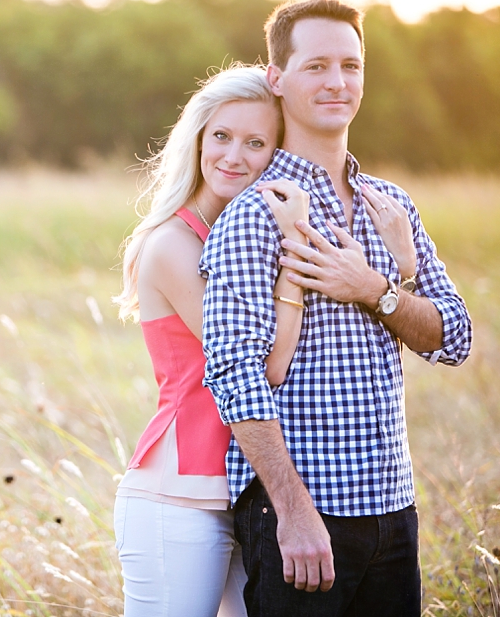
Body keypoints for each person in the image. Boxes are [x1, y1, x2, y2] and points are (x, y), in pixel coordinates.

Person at [199, 0, 472, 617]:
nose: (337, 82)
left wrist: (376, 290)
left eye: (351, 65)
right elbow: (235, 374)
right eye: (316, 66)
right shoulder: (256, 214)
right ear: (277, 78)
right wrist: (293, 512)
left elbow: (455, 338)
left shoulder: (390, 205)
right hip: (303, 515)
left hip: (393, 509)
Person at [111, 64, 415, 617]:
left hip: (244, 494)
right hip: (181, 494)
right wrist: (296, 246)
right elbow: (270, 366)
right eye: (221, 136)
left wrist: (398, 270)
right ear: (197, 140)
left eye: (256, 143)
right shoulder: (174, 244)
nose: (233, 156)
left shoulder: (237, 233)